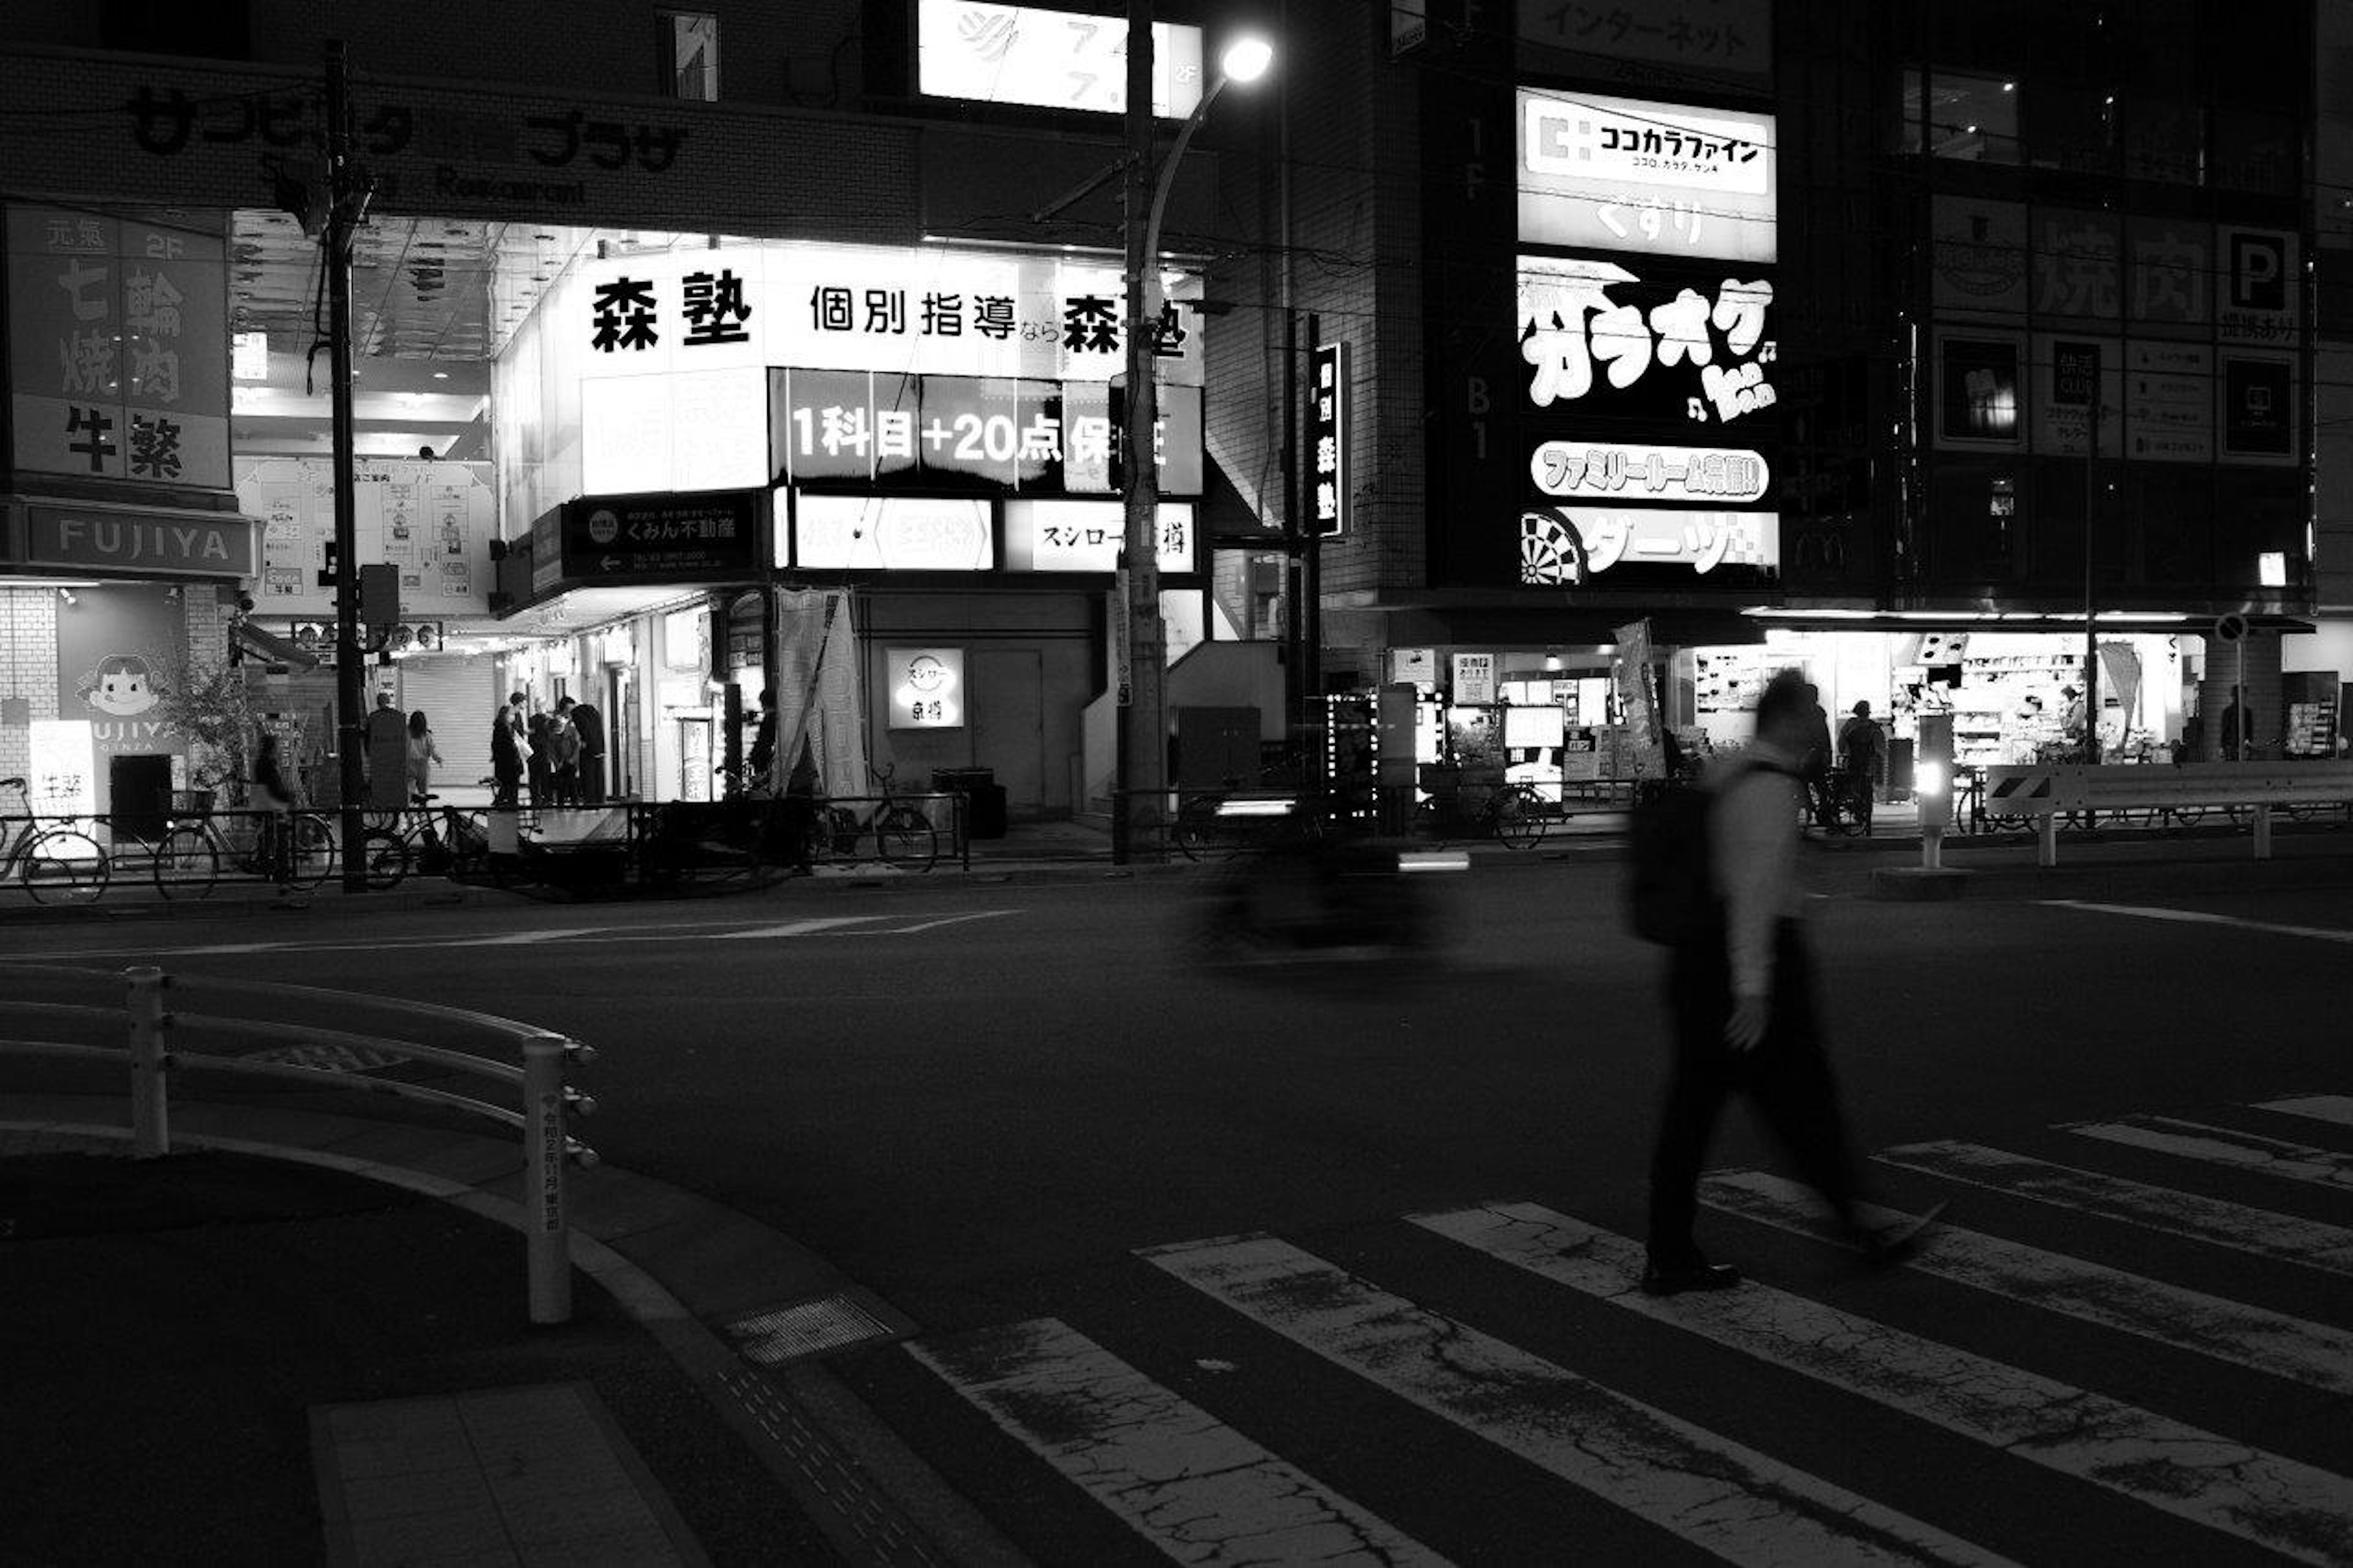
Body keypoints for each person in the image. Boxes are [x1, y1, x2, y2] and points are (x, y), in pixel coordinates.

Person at [1642, 670, 1926, 1295]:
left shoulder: (1730, 772)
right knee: (1802, 1105)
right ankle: (1861, 1231)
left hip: (1697, 965)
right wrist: (1751, 988)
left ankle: (1670, 1252)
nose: (1819, 723)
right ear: (1789, 718)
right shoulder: (1770, 788)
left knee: (1698, 1114)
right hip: (1750, 966)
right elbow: (1752, 893)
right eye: (1812, 712)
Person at [250, 730, 300, 896]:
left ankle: (269, 868)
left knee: (270, 840)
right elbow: (275, 787)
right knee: (281, 842)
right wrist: (288, 796)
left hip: (263, 805)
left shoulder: (260, 762)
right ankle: (283, 880)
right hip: (273, 807)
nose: (279, 749)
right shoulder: (269, 764)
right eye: (277, 746)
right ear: (272, 748)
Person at [1835, 700, 1886, 831]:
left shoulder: (1850, 725)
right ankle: (1865, 817)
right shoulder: (1873, 727)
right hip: (1868, 764)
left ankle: (1850, 810)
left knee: (1848, 787)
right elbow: (1881, 748)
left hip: (1852, 763)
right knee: (1867, 790)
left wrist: (1845, 753)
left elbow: (1841, 745)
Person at [362, 689, 409, 810]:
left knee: (380, 783)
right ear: (389, 701)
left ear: (378, 703)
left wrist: (369, 753)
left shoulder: (373, 718)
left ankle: (380, 804)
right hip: (397, 758)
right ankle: (396, 803)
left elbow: (367, 737)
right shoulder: (399, 717)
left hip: (379, 758)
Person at [1798, 681, 1835, 828]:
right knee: (1822, 788)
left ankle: (1810, 807)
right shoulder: (1818, 712)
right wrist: (1828, 752)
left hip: (1804, 757)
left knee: (1802, 785)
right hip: (1818, 757)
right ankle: (1822, 812)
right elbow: (1824, 735)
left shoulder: (1799, 713)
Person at [490, 691, 527, 807]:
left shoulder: (503, 727)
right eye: (511, 715)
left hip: (507, 763)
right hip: (509, 763)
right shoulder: (504, 728)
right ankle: (510, 804)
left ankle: (503, 802)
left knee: (507, 785)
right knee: (511, 785)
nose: (513, 717)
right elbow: (509, 746)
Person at [569, 697, 607, 803]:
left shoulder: (577, 713)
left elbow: (585, 729)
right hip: (600, 748)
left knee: (588, 775)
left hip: (588, 749)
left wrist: (584, 741)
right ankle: (600, 800)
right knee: (599, 775)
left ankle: (590, 801)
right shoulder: (592, 710)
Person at [547, 701, 583, 805]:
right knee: (560, 783)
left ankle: (574, 801)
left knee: (572, 782)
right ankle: (560, 802)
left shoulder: (571, 731)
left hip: (571, 760)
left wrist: (572, 760)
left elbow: (577, 747)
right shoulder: (553, 735)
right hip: (560, 761)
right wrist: (557, 762)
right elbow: (551, 750)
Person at [405, 710, 443, 802]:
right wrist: (438, 760)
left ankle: (410, 812)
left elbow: (401, 749)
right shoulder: (426, 735)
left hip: (409, 765)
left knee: (409, 792)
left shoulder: (406, 732)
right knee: (423, 794)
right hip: (423, 766)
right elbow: (432, 750)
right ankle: (423, 813)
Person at [525, 706, 553, 806]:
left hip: (533, 754)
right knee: (545, 778)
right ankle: (547, 798)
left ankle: (535, 798)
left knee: (534, 778)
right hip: (544, 753)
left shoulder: (532, 721)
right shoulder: (548, 721)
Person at [2220, 689, 2253, 762]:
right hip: (2232, 745)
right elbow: (2249, 731)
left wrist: (2222, 746)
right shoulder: (2246, 712)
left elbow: (2224, 731)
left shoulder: (2228, 712)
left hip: (2232, 745)